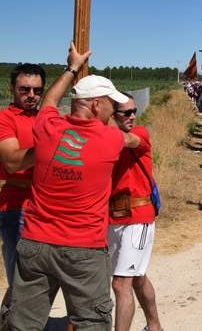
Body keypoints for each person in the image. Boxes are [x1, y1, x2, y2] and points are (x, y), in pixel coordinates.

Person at [5, 43, 141, 329]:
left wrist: (71, 67)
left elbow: (50, 102)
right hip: (83, 248)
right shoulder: (110, 139)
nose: (114, 111)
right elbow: (134, 141)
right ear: (95, 105)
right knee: (91, 321)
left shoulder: (46, 127)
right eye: (111, 105)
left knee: (22, 323)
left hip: (36, 243)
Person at [108, 94, 162, 331]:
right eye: (125, 112)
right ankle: (154, 326)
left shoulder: (140, 133)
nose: (132, 116)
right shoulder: (102, 138)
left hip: (138, 217)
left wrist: (97, 126)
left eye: (134, 111)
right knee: (137, 278)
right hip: (111, 218)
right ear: (113, 114)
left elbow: (127, 140)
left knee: (120, 283)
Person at [0, 64, 44, 304]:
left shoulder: (46, 118)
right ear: (12, 89)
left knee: (38, 277)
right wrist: (48, 146)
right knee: (20, 278)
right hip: (16, 205)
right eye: (24, 89)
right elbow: (12, 162)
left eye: (37, 90)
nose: (31, 95)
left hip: (44, 206)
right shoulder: (5, 118)